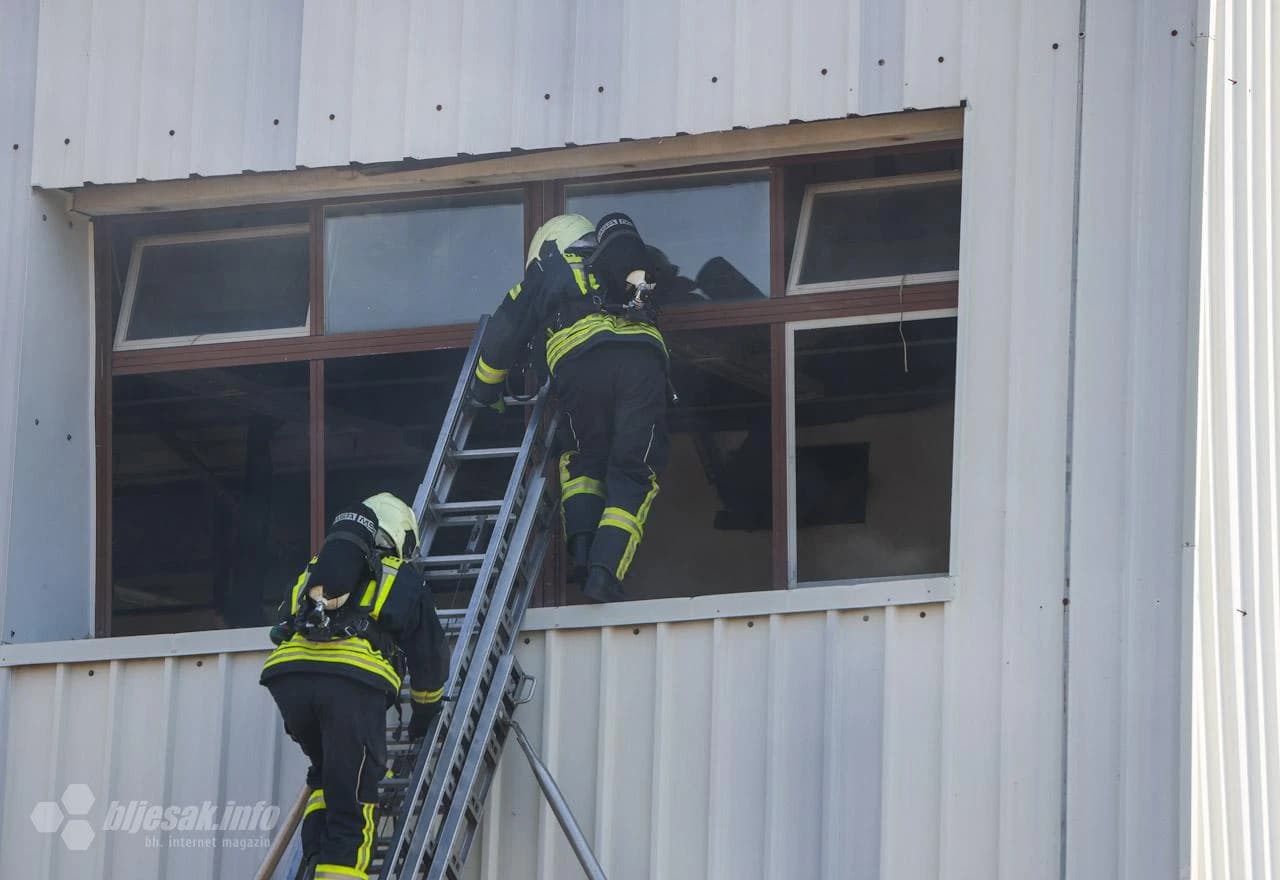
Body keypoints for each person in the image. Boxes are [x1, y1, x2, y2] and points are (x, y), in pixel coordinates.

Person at [469, 212, 669, 603]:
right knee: (633, 472)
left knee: (582, 459)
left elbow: (501, 338)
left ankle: (581, 550)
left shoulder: (545, 272)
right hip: (641, 364)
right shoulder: (624, 264)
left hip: (581, 367)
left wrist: (484, 390)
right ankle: (604, 573)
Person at [260, 493, 450, 880]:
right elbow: (430, 658)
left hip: (289, 682)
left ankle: (314, 858)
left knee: (326, 774)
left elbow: (282, 625)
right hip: (350, 685)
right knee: (357, 792)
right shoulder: (402, 577)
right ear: (400, 537)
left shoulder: (312, 573)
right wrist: (424, 713)